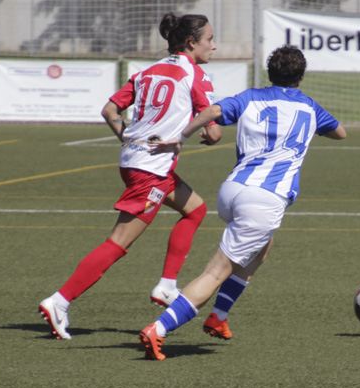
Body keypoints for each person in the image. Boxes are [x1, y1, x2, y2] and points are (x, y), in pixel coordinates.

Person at [137, 45, 347, 360]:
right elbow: (341, 133)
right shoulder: (310, 107)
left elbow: (210, 113)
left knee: (262, 247)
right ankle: (158, 329)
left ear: (269, 73)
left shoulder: (250, 97)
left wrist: (180, 137)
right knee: (215, 272)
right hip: (263, 200)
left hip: (232, 191)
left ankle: (218, 317)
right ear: (301, 78)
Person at [38, 12, 222, 340]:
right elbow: (214, 131)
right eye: (210, 40)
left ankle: (167, 285)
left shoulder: (146, 72)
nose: (215, 46)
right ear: (192, 43)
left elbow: (109, 111)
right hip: (150, 172)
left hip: (138, 163)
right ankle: (59, 301)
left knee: (195, 209)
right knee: (118, 242)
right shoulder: (193, 75)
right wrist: (208, 133)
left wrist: (130, 139)